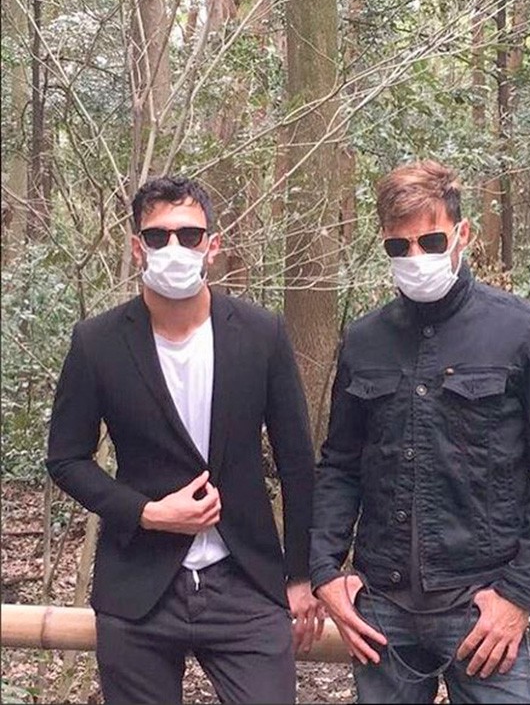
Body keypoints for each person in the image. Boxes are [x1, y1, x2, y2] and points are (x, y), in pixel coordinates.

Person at [310, 160, 530, 704]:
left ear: (463, 234)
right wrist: (323, 571)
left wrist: (520, 595)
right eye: (399, 246)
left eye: (430, 241)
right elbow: (340, 464)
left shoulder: (525, 331)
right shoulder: (364, 340)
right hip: (382, 608)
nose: (416, 257)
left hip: (485, 608)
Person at [46, 176, 324, 705]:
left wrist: (300, 575)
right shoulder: (97, 342)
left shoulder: (261, 333)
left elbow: (297, 464)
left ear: (211, 246)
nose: (174, 247)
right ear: (138, 247)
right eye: (158, 236)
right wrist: (146, 512)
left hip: (246, 580)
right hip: (138, 589)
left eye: (189, 234)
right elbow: (66, 459)